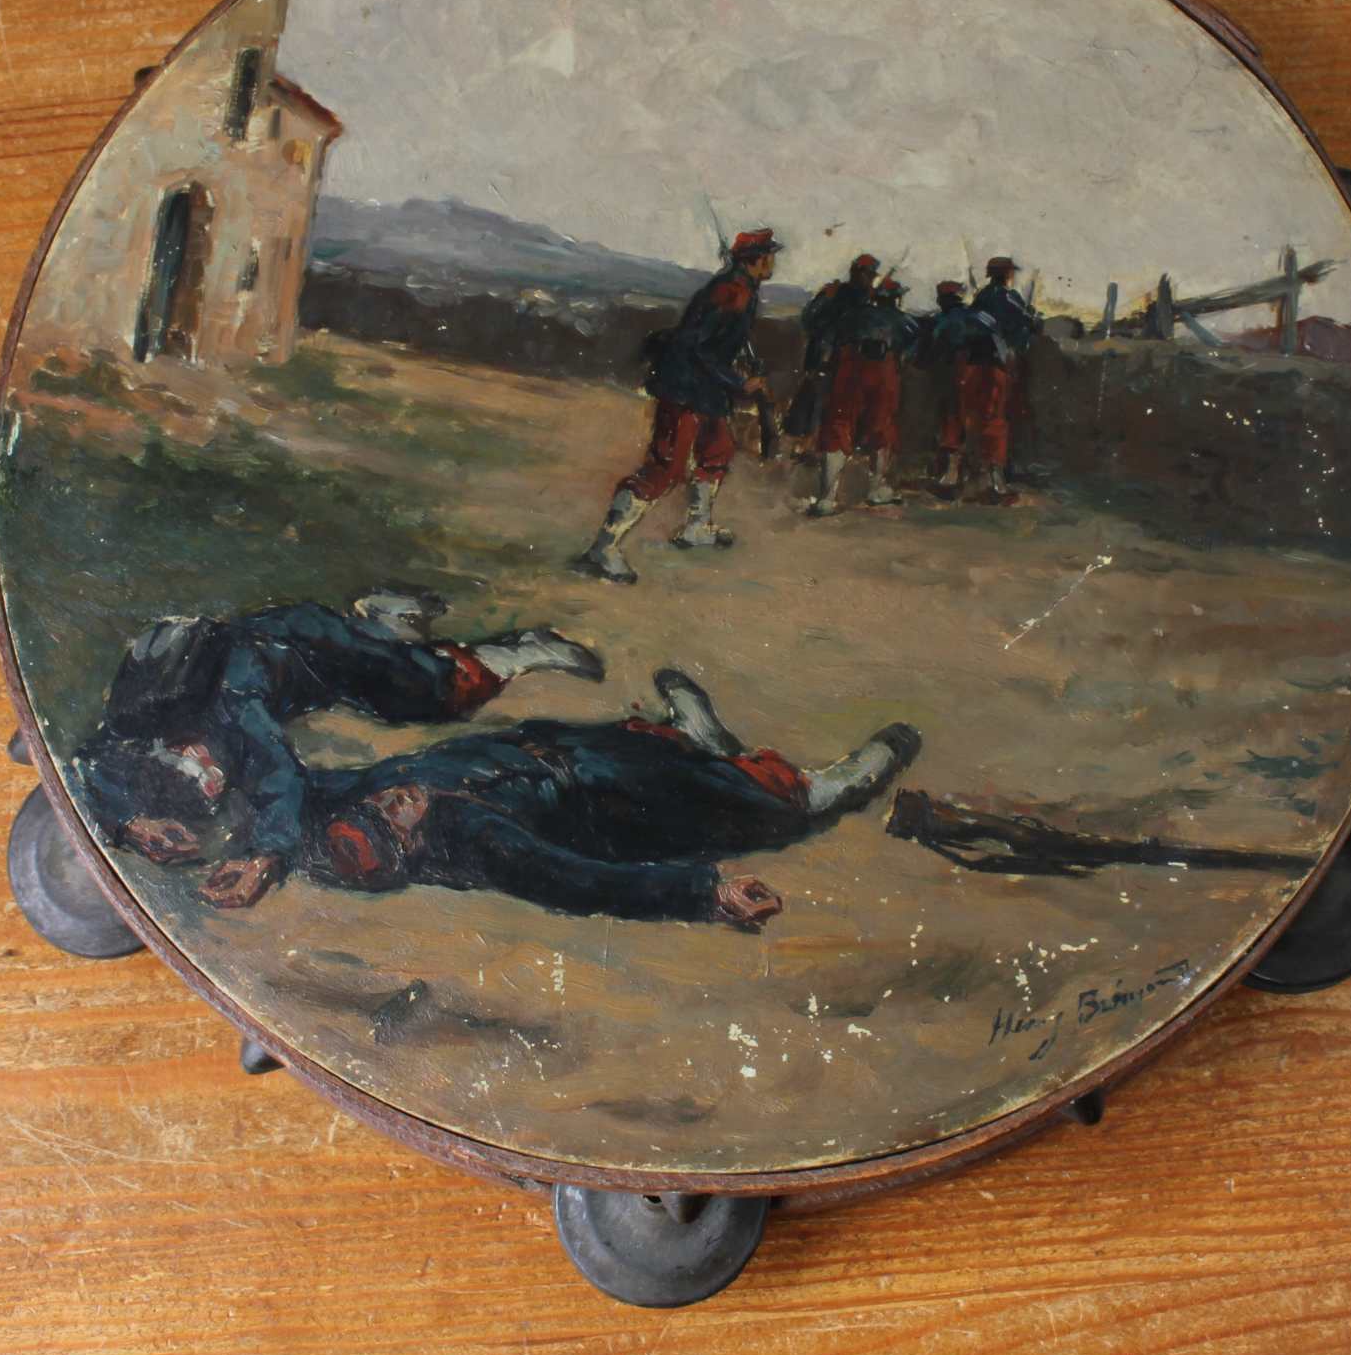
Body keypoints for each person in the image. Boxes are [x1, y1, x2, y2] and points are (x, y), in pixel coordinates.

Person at [69, 589, 606, 909]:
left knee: (425, 693)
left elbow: (278, 772)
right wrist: (130, 822)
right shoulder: (133, 725)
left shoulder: (236, 705)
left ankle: (518, 652)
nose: (214, 781)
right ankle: (382, 621)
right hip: (276, 672)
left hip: (306, 642)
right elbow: (85, 764)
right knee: (393, 681)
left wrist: (266, 857)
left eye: (204, 769)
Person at [264, 669, 924, 925]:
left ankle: (699, 738)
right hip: (616, 803)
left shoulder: (358, 793)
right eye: (394, 819)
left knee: (668, 749)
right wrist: (705, 894)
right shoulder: (481, 844)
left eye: (375, 805)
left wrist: (267, 853)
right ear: (411, 848)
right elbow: (582, 882)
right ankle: (832, 787)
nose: (393, 799)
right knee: (761, 808)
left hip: (569, 747)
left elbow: (286, 789)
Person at [573, 228, 781, 585]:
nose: (773, 261)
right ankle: (603, 548)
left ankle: (697, 527)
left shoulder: (742, 289)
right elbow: (695, 346)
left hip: (707, 388)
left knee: (717, 451)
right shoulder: (730, 292)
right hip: (685, 386)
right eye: (769, 255)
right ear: (756, 260)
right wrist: (739, 383)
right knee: (665, 467)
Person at [809, 273, 920, 516]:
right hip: (883, 368)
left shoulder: (852, 315)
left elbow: (827, 340)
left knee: (838, 425)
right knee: (881, 426)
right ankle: (876, 489)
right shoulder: (904, 321)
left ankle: (826, 498)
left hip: (849, 366)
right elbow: (913, 348)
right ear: (897, 299)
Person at [921, 277, 1014, 498]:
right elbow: (1004, 348)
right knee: (992, 421)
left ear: (942, 300)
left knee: (954, 418)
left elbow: (931, 355)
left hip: (965, 369)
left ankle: (951, 475)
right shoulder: (984, 316)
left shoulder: (944, 320)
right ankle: (997, 480)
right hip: (995, 371)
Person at [787, 253, 879, 452]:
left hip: (843, 359)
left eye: (872, 275)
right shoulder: (837, 293)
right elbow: (809, 320)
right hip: (827, 356)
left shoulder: (861, 297)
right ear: (856, 273)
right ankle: (809, 444)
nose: (870, 279)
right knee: (819, 400)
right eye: (868, 274)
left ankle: (814, 444)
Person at [969, 255, 1040, 495]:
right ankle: (995, 475)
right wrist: (1031, 317)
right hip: (997, 364)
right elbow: (1026, 327)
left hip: (973, 363)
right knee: (997, 418)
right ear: (1007, 275)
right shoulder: (1010, 298)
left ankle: (980, 472)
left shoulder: (981, 297)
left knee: (977, 416)